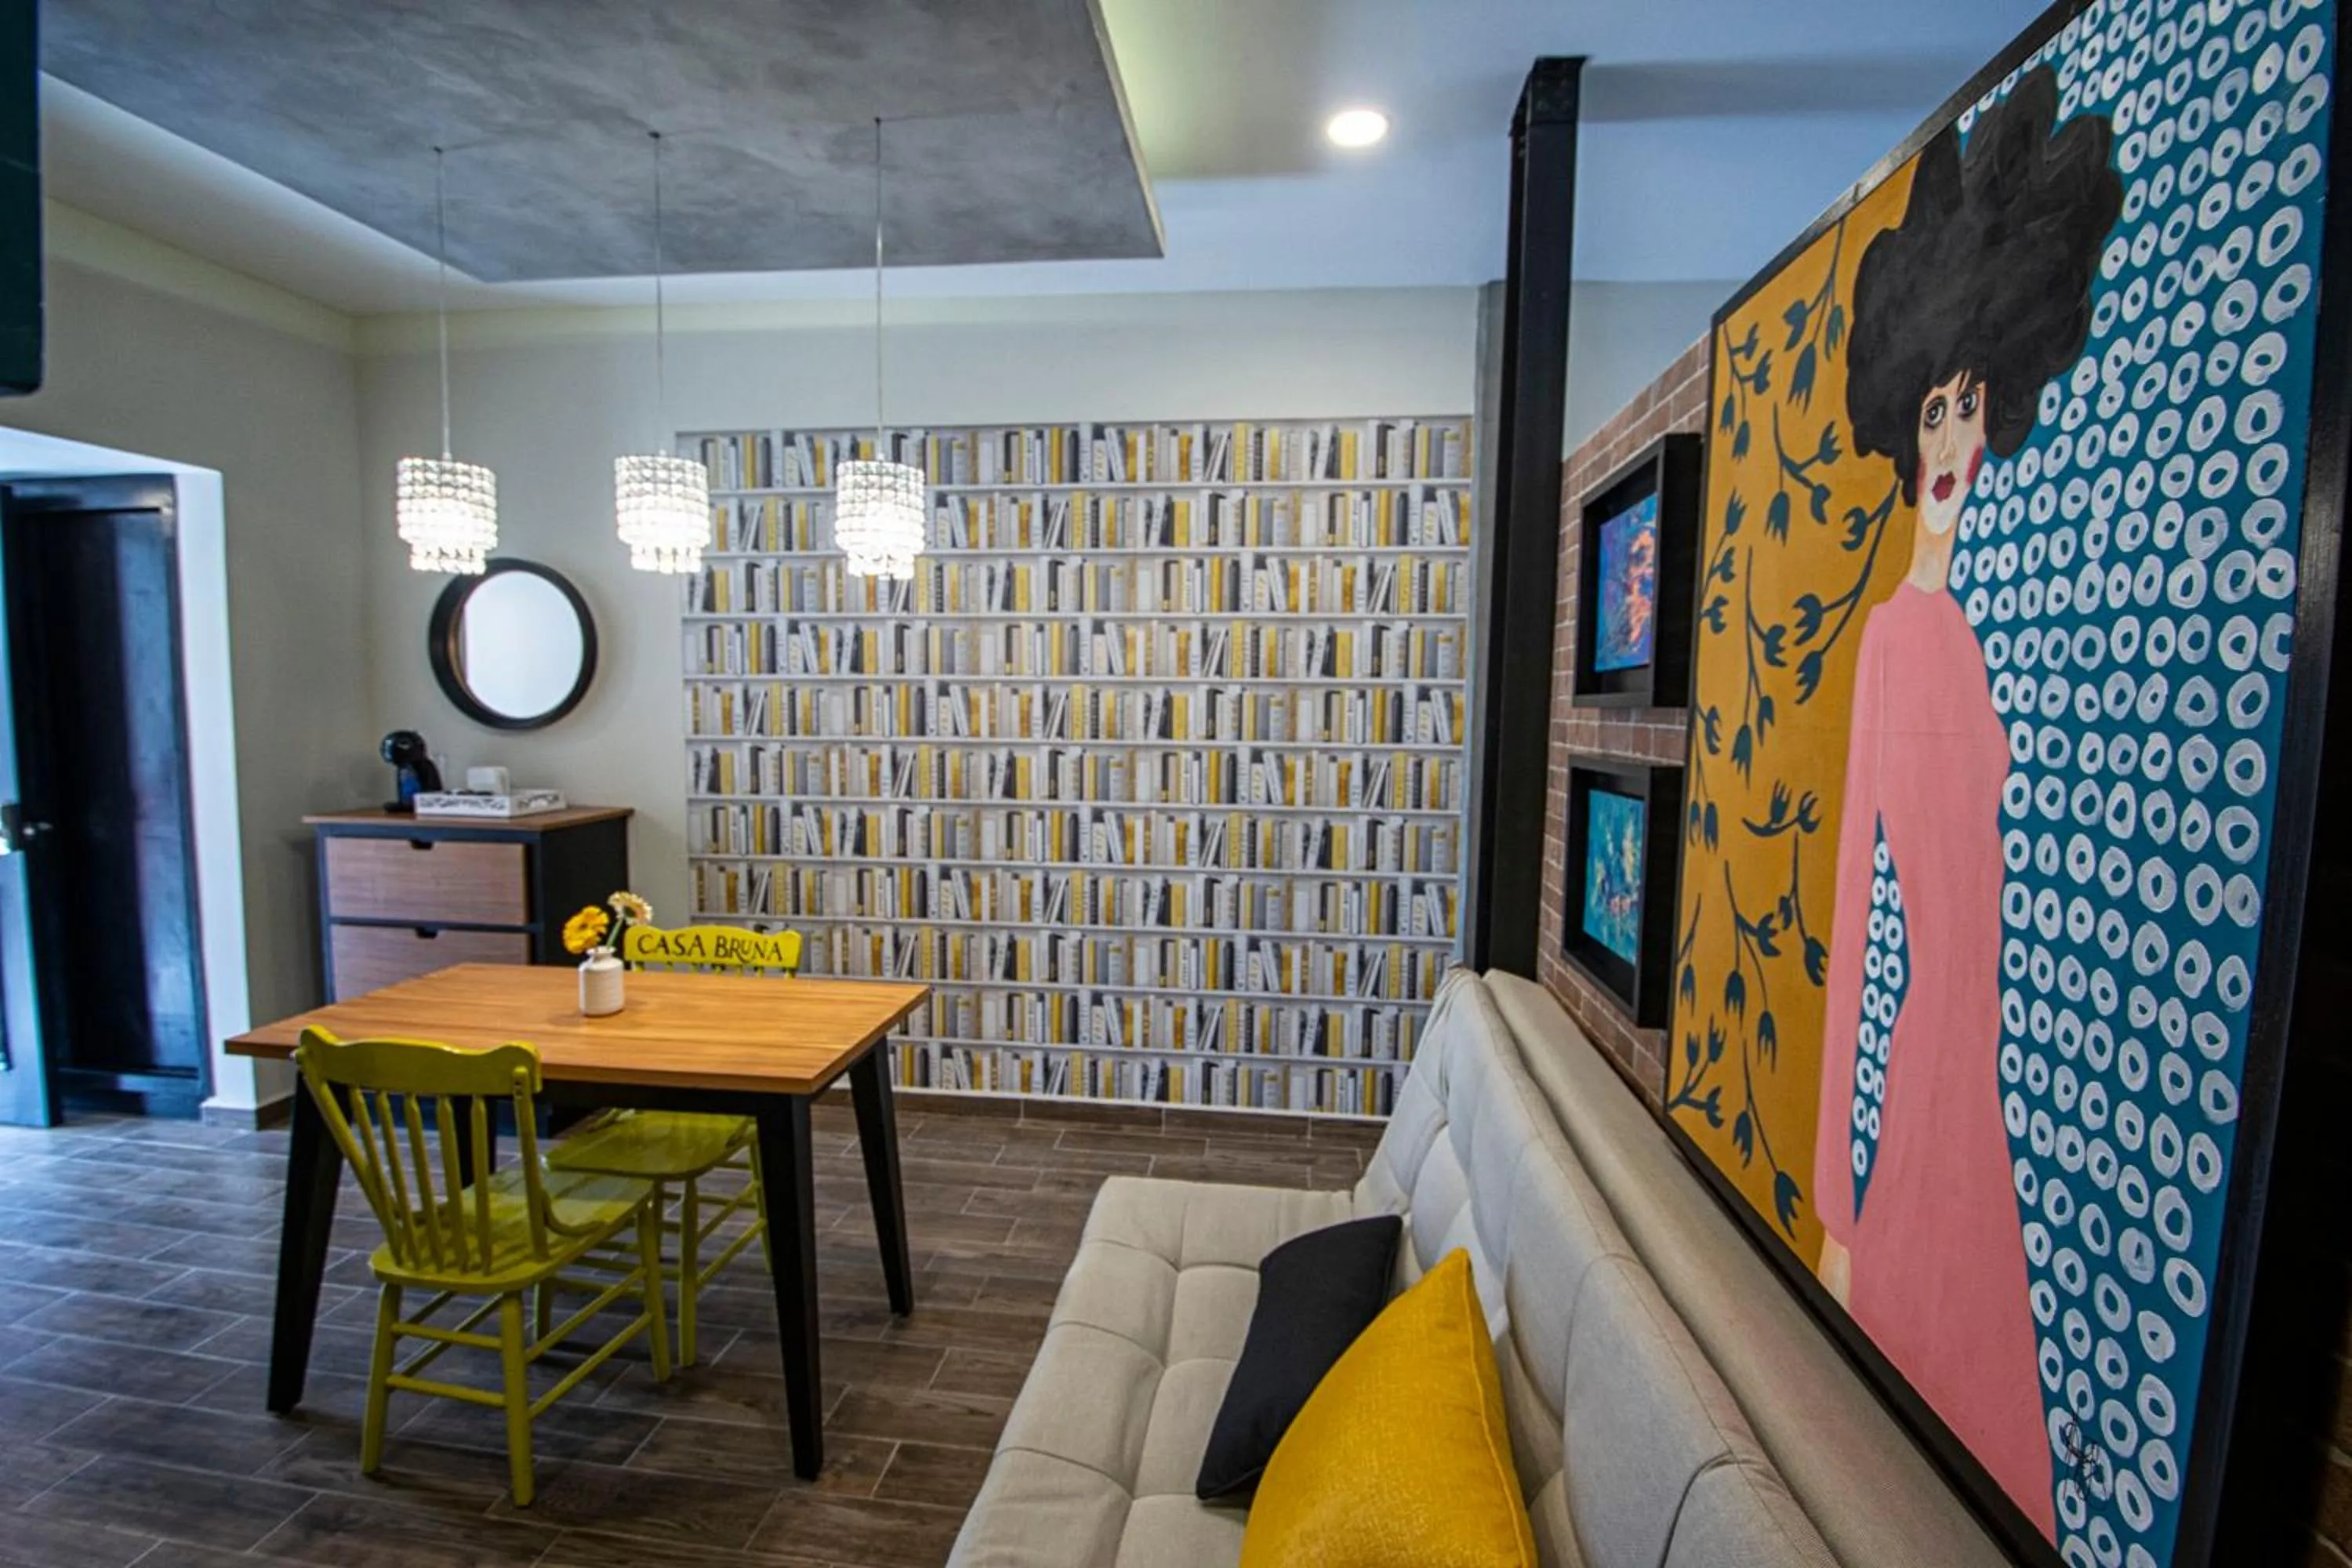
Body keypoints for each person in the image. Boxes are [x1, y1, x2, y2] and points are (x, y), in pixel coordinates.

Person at [1814, 64, 2118, 1539]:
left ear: (1996, 413)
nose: (1947, 441)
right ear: (1904, 420)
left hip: (1976, 1071)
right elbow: (1862, 918)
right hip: (1932, 1067)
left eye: (1968, 409)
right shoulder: (1891, 641)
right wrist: (1839, 1209)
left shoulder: (1983, 642)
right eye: (1929, 411)